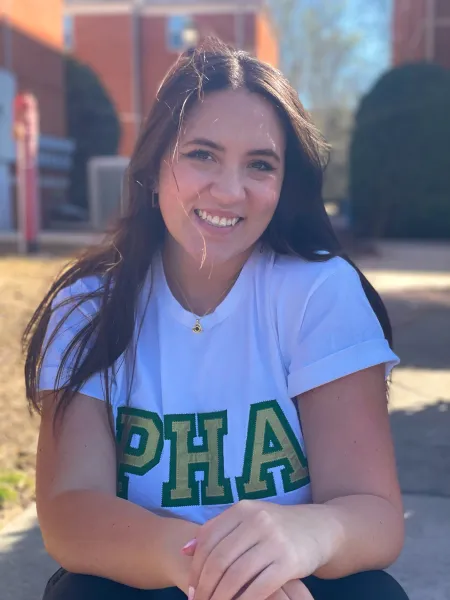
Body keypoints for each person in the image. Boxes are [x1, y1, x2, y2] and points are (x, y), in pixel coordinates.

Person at [23, 38, 409, 600]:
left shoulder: (320, 293)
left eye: (259, 165)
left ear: (284, 185)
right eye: (201, 154)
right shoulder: (88, 306)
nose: (230, 191)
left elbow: (376, 516)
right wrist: (210, 567)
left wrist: (305, 535)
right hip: (150, 574)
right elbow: (69, 512)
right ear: (154, 168)